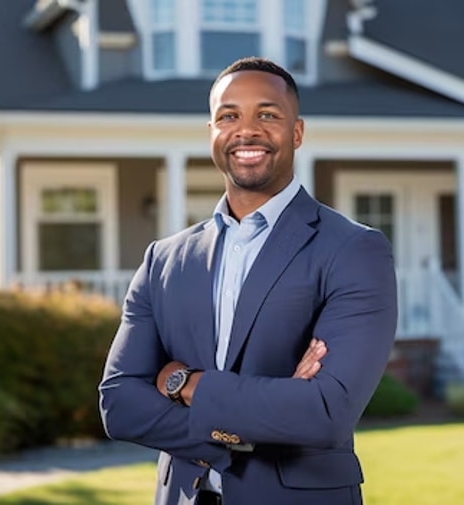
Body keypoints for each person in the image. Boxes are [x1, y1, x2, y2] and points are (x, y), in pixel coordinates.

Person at [99, 57, 397, 505]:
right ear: (212, 133)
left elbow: (325, 411)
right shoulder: (164, 259)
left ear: (296, 132)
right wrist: (257, 424)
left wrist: (185, 383)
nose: (247, 130)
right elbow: (120, 404)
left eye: (268, 114)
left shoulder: (353, 250)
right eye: (229, 116)